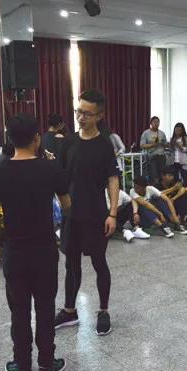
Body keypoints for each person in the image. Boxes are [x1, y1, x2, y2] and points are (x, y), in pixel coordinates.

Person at [0, 113, 71, 371]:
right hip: (44, 249)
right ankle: (46, 364)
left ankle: (22, 365)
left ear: (9, 139)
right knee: (45, 308)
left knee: (19, 310)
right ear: (37, 138)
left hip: (15, 251)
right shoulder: (51, 169)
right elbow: (66, 206)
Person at [54, 89, 120, 336]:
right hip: (71, 215)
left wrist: (113, 213)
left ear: (99, 116)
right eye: (78, 112)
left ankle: (103, 310)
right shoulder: (68, 142)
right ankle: (70, 311)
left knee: (99, 263)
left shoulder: (104, 145)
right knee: (71, 264)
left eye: (87, 114)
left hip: (96, 215)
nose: (80, 117)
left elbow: (113, 179)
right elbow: (59, 177)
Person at [140, 116, 168, 183]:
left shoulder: (162, 133)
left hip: (161, 156)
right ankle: (154, 188)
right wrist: (153, 144)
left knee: (162, 175)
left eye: (158, 122)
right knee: (153, 176)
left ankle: (161, 188)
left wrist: (163, 144)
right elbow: (142, 145)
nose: (156, 123)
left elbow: (166, 145)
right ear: (151, 123)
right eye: (154, 122)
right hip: (151, 157)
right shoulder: (146, 133)